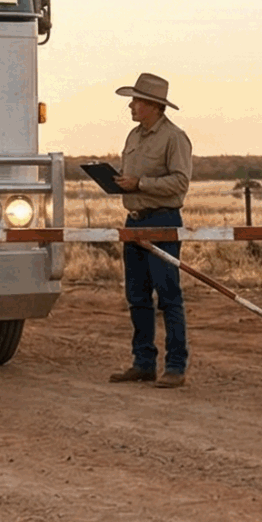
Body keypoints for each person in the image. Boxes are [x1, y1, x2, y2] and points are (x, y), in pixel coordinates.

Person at [105, 73, 194, 388]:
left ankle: (175, 366)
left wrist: (140, 184)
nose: (131, 105)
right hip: (135, 221)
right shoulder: (133, 136)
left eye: (137, 100)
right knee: (137, 295)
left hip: (163, 221)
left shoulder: (174, 138)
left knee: (168, 295)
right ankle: (143, 362)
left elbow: (180, 183)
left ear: (154, 106)